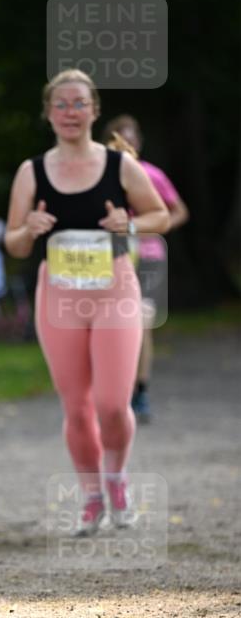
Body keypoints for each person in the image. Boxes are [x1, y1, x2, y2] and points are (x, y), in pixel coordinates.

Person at [5, 69, 169, 535]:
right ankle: (92, 495)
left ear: (95, 111)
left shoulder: (120, 166)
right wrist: (27, 231)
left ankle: (116, 476)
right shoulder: (31, 172)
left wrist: (130, 224)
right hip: (58, 296)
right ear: (48, 113)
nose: (71, 112)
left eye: (80, 103)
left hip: (114, 291)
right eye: (62, 104)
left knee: (114, 404)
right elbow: (15, 243)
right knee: (77, 407)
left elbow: (160, 213)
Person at [103, 115, 189, 422]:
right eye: (119, 141)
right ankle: (115, 391)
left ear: (139, 143)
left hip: (148, 256)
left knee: (141, 319)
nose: (127, 147)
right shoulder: (99, 176)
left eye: (131, 140)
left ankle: (140, 391)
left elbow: (177, 212)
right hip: (109, 257)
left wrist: (149, 227)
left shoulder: (151, 174)